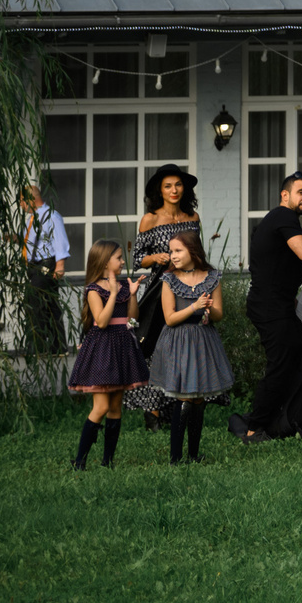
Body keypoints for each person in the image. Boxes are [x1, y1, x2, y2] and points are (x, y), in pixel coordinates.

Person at [237, 171, 302, 443]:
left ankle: (293, 417)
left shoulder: (280, 221)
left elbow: (279, 266)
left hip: (278, 304)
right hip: (270, 307)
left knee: (299, 357)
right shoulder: (283, 216)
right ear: (285, 195)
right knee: (281, 364)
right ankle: (254, 428)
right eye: (301, 192)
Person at [125, 164, 201, 423]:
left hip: (189, 289)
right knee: (155, 348)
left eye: (178, 185)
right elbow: (136, 259)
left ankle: (177, 407)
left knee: (182, 348)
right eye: (168, 186)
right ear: (160, 189)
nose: (174, 190)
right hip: (160, 292)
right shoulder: (150, 219)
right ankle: (152, 411)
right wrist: (154, 257)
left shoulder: (193, 218)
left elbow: (199, 255)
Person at [150, 230, 232, 463]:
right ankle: (176, 456)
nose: (172, 256)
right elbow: (170, 318)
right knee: (184, 397)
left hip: (203, 341)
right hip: (178, 341)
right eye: (171, 251)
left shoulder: (212, 277)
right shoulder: (169, 280)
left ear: (193, 250)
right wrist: (194, 306)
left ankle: (194, 454)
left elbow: (218, 315)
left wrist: (208, 309)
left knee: (198, 398)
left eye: (178, 250)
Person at [68, 239, 147, 468]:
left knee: (115, 407)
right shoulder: (93, 289)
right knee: (101, 407)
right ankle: (80, 460)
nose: (123, 262)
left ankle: (108, 461)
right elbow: (101, 322)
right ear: (104, 262)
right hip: (102, 349)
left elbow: (132, 320)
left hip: (122, 347)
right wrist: (112, 294)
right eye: (119, 258)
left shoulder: (123, 285)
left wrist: (131, 294)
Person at [19, 184, 69, 358]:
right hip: (34, 266)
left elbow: (60, 240)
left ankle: (38, 347)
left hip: (46, 265)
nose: (21, 205)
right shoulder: (32, 219)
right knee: (49, 304)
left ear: (31, 199)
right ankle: (58, 347)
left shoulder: (51, 216)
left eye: (22, 201)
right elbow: (32, 243)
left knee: (35, 302)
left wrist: (60, 265)